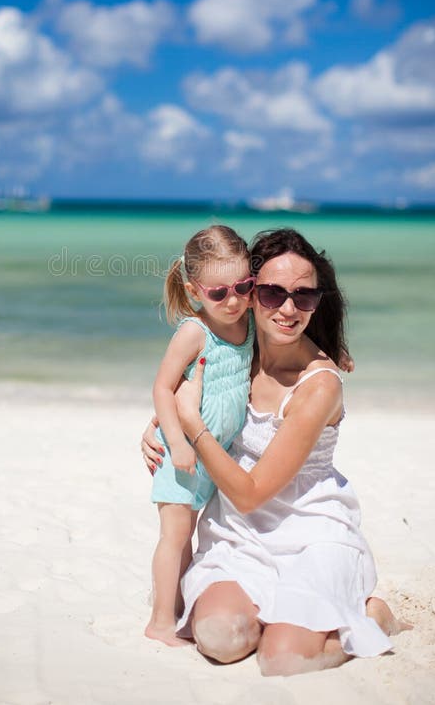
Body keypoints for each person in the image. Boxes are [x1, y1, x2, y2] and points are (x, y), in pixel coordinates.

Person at [143, 227, 410, 674]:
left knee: (281, 660)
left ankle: (372, 615)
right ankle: (279, 616)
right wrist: (159, 426)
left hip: (309, 533)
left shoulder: (318, 386)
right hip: (239, 536)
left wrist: (192, 426)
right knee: (219, 639)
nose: (288, 309)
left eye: (303, 297)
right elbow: (195, 393)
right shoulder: (240, 352)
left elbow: (249, 492)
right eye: (271, 293)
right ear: (250, 293)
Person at [146, 225, 256, 646]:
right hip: (183, 457)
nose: (233, 300)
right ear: (194, 290)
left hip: (214, 455)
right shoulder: (195, 332)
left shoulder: (247, 321)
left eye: (243, 287)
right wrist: (174, 441)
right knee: (174, 538)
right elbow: (162, 387)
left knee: (192, 539)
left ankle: (180, 610)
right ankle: (159, 621)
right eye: (218, 293)